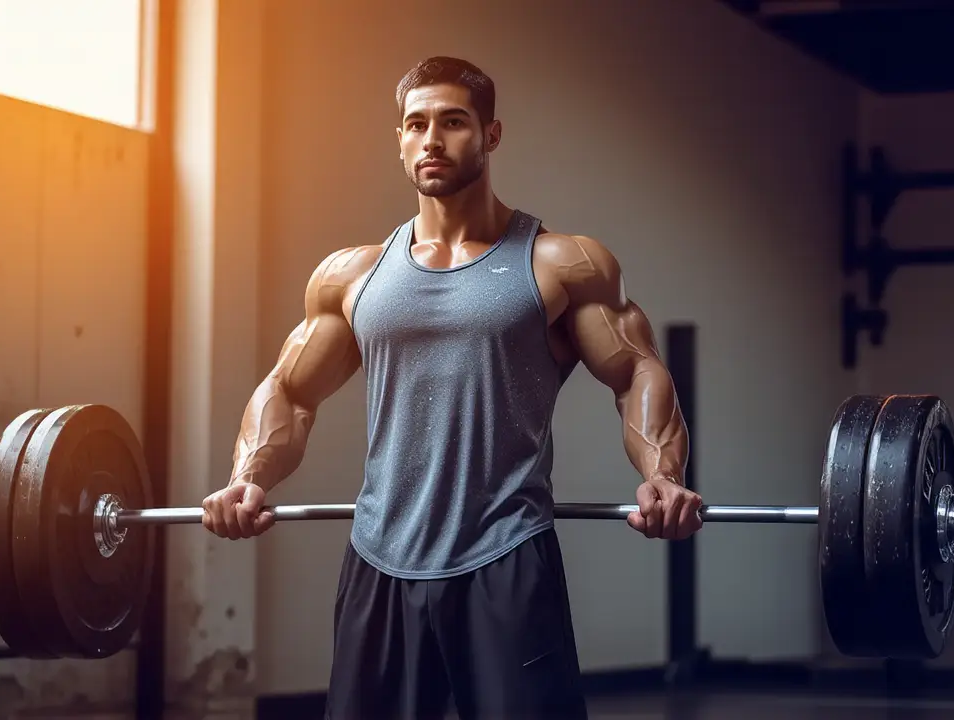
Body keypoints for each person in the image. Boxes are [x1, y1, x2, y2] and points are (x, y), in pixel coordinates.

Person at [202, 56, 703, 719]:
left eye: (453, 122)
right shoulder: (350, 277)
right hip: (378, 561)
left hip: (505, 558)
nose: (431, 140)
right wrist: (249, 476)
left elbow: (637, 368)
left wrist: (663, 474)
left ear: (491, 135)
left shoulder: (562, 263)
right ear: (400, 140)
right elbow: (290, 393)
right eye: (415, 124)